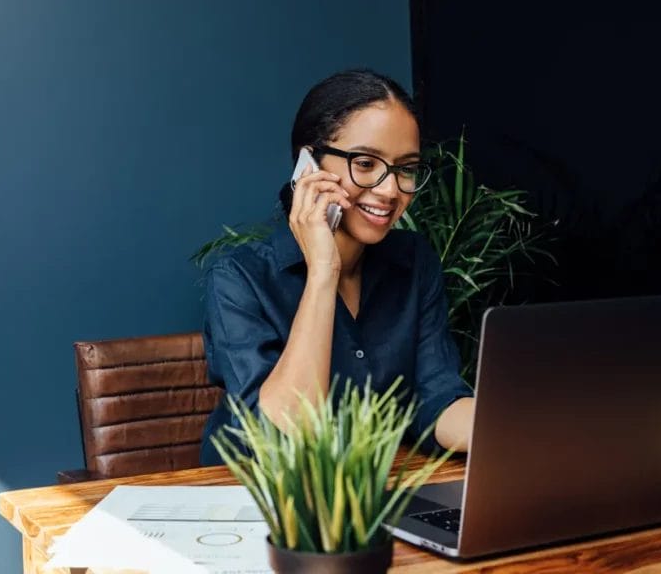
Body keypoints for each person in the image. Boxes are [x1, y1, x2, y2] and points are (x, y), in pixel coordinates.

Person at [199, 69, 475, 465]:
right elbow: (283, 435)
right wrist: (323, 273)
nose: (390, 190)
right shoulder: (239, 279)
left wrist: (520, 426)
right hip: (251, 498)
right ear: (308, 164)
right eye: (365, 163)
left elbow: (436, 399)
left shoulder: (414, 262)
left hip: (367, 496)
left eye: (407, 168)